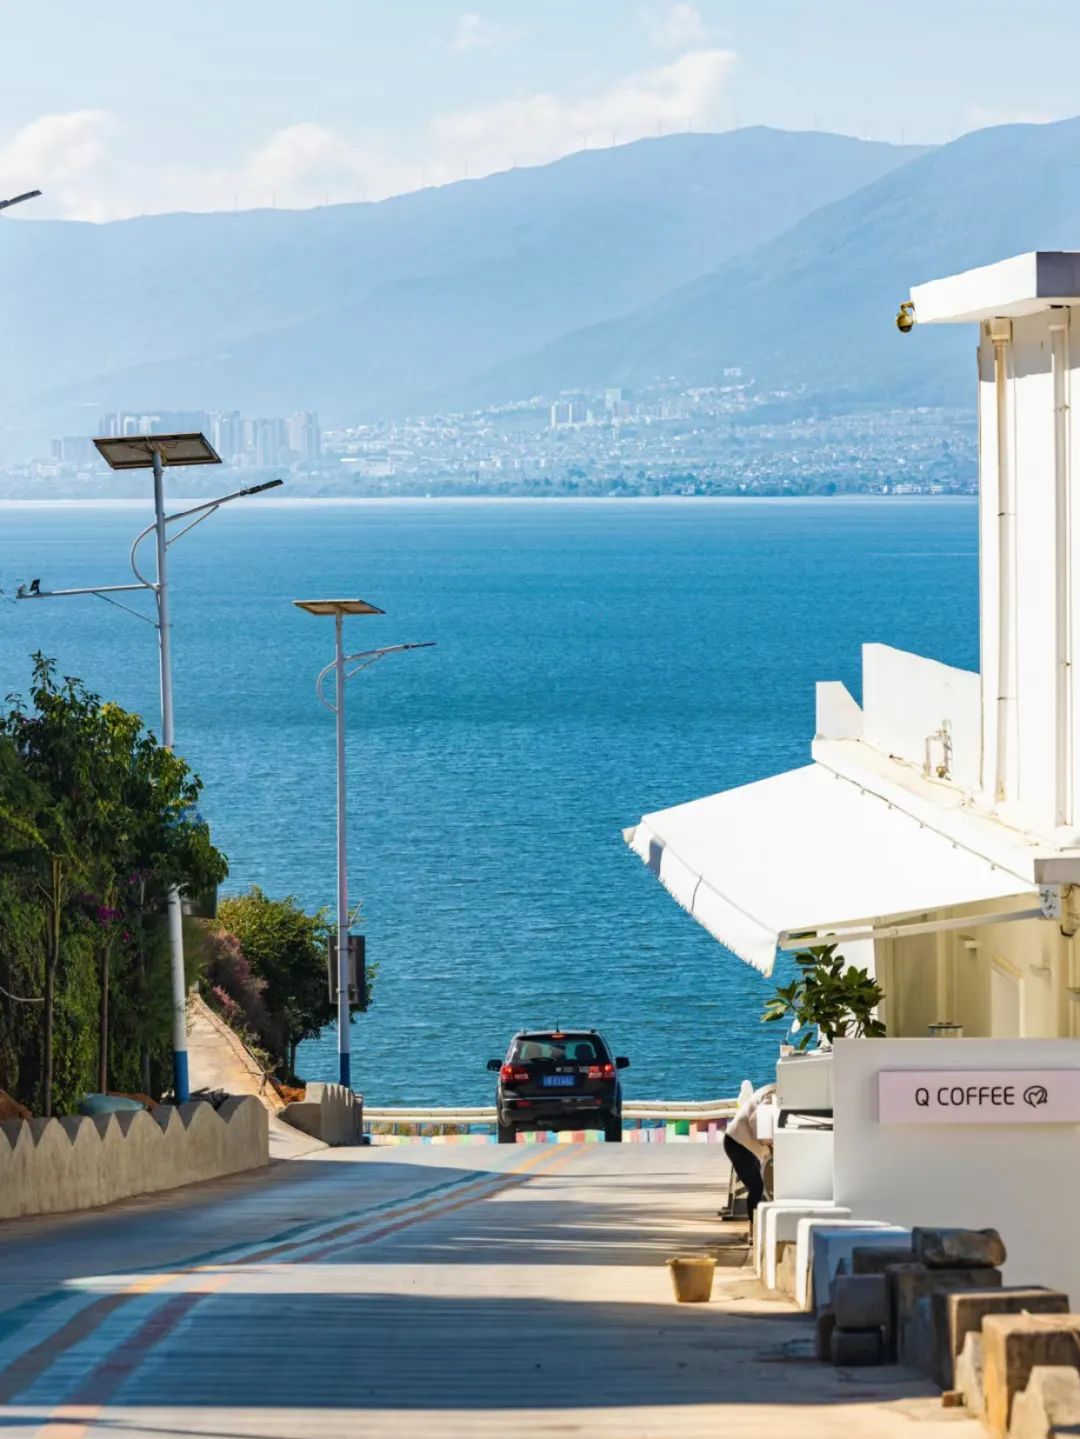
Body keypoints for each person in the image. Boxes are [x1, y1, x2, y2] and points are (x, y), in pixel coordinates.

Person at [723, 1081, 776, 1225]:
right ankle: (754, 1226)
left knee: (758, 1185)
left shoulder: (771, 1090)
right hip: (738, 1143)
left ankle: (755, 1223)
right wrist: (769, 1143)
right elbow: (756, 1119)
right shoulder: (772, 1094)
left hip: (740, 1142)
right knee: (756, 1186)